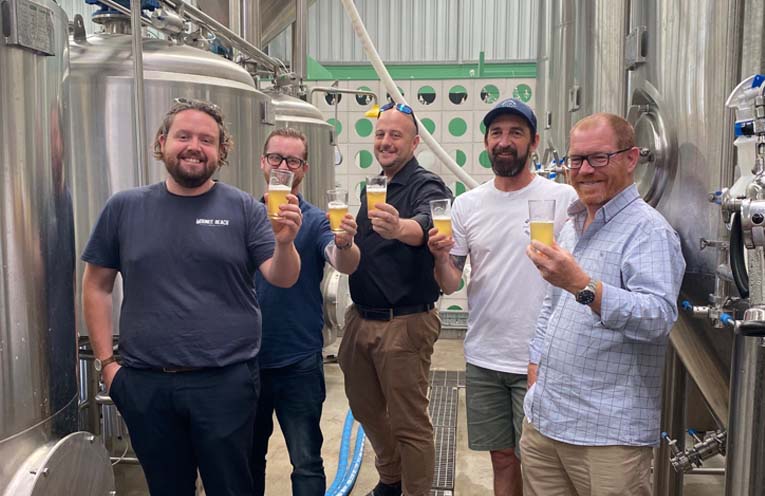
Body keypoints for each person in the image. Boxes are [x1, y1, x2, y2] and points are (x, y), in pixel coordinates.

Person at [81, 98, 302, 495]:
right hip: (146, 384)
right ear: (162, 142)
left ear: (221, 151)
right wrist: (108, 366)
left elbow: (282, 277)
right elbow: (96, 285)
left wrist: (285, 243)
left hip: (225, 383)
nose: (194, 147)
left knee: (231, 488)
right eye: (183, 136)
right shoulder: (124, 208)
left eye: (206, 140)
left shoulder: (243, 208)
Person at [522, 113, 685, 495]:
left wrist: (583, 286)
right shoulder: (571, 225)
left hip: (607, 437)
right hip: (546, 422)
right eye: (577, 159)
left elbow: (658, 317)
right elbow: (551, 306)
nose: (585, 170)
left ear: (631, 159)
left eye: (599, 157)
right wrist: (535, 369)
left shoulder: (649, 231)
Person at [428, 98, 577, 496]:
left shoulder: (563, 199)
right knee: (502, 459)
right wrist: (439, 256)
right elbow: (450, 283)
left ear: (534, 142)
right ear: (486, 142)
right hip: (485, 356)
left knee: (543, 467)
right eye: (496, 133)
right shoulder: (467, 205)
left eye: (516, 133)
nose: (504, 141)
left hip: (543, 359)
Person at [337, 102, 452, 496]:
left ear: (415, 143)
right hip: (361, 318)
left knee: (409, 424)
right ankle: (391, 478)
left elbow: (427, 223)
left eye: (395, 135)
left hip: (403, 323)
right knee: (364, 408)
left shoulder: (426, 184)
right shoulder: (374, 186)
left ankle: (415, 491)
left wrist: (400, 227)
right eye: (380, 134)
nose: (385, 142)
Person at [252, 127, 360, 496]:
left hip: (298, 359)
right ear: (263, 162)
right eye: (276, 158)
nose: (283, 166)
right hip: (245, 360)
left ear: (305, 168)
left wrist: (345, 243)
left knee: (307, 461)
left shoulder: (315, 220)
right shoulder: (245, 216)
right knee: (248, 458)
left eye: (293, 160)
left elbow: (343, 262)